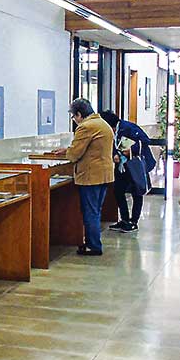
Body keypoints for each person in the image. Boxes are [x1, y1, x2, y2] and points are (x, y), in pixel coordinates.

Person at [51, 98, 115, 256]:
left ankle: (93, 246)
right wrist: (68, 148)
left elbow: (74, 154)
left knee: (90, 212)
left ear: (79, 114)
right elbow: (92, 148)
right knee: (96, 210)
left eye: (73, 117)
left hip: (91, 176)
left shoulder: (86, 127)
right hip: (104, 174)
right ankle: (94, 242)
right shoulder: (101, 123)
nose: (74, 121)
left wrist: (68, 151)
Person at [99, 110, 156, 233]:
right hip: (122, 166)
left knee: (137, 191)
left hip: (134, 165)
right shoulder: (111, 132)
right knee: (118, 191)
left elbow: (145, 141)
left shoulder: (128, 127)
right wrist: (115, 154)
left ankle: (134, 222)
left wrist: (130, 150)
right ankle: (124, 220)